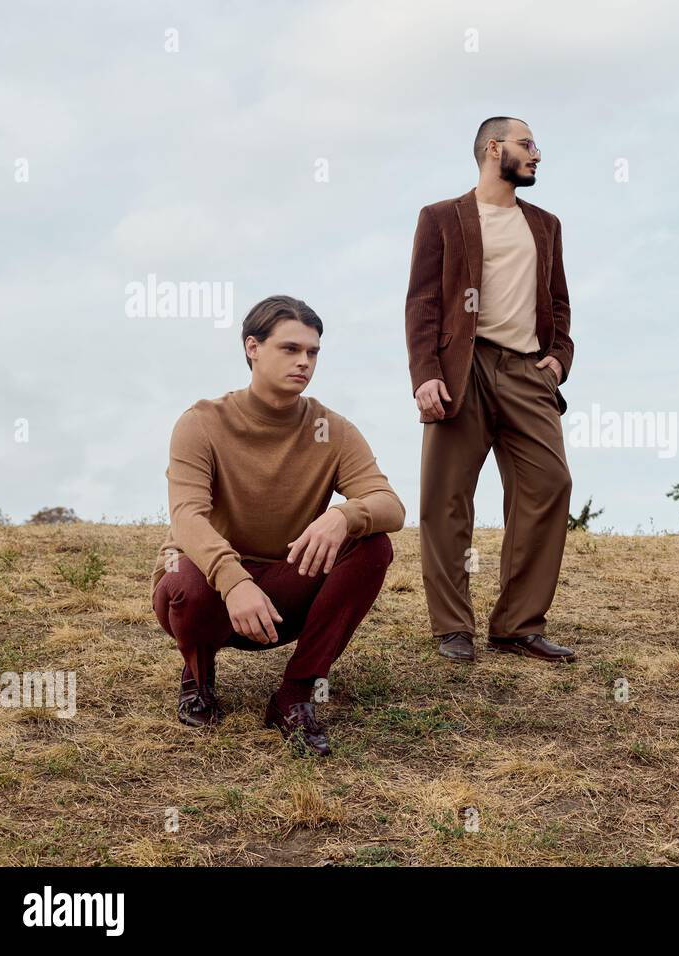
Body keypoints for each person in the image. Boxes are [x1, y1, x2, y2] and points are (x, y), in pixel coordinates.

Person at [152, 295, 405, 755]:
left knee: (373, 546)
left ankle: (295, 693)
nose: (304, 362)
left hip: (287, 586)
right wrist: (234, 582)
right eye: (290, 349)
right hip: (210, 591)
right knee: (183, 579)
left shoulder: (333, 429)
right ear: (253, 347)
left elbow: (390, 505)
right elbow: (186, 516)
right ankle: (198, 673)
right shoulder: (201, 423)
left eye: (312, 353)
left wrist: (342, 516)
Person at [406, 116, 576, 665]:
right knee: (445, 496)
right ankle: (453, 625)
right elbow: (422, 303)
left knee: (550, 484)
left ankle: (518, 625)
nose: (537, 155)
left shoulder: (545, 225)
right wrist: (426, 374)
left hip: (528, 371)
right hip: (463, 367)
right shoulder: (441, 218)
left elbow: (559, 302)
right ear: (492, 148)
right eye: (528, 145)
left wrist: (558, 360)